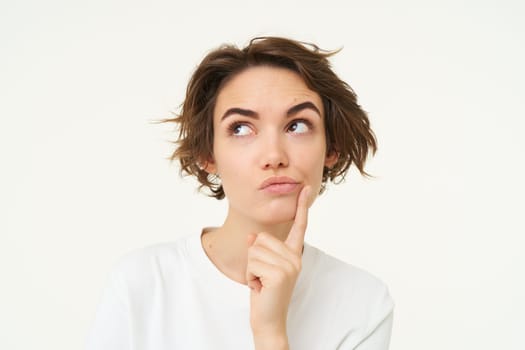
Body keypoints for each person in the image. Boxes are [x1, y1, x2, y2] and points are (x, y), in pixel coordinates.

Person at [86, 37, 395, 350]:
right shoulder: (142, 283)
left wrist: (270, 333)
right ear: (208, 155)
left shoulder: (363, 302)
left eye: (298, 125)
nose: (274, 155)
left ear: (332, 147)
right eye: (241, 128)